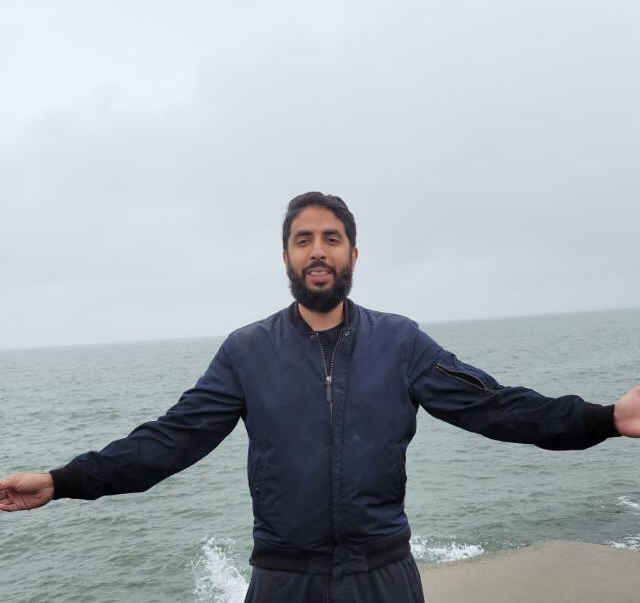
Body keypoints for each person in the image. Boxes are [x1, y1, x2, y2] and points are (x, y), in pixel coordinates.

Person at [2, 191, 639, 603]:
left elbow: (496, 407)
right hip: (284, 578)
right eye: (303, 239)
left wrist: (605, 418)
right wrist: (63, 481)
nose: (317, 251)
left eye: (331, 238)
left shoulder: (401, 342)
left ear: (352, 254)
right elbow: (170, 441)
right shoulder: (246, 351)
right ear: (285, 256)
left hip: (383, 574)